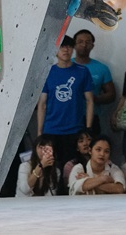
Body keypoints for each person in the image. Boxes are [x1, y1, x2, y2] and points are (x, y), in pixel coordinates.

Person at [37, 36, 94, 171]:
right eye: (62, 46)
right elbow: (42, 104)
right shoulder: (47, 72)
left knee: (73, 169)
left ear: (73, 49)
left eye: (68, 46)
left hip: (75, 129)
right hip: (51, 129)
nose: (65, 50)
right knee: (50, 169)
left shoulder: (82, 71)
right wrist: (40, 132)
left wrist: (88, 128)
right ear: (55, 50)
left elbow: (90, 101)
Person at [73, 29, 116, 135]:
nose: (84, 45)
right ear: (74, 45)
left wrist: (95, 98)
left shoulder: (101, 68)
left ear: (92, 46)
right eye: (80, 42)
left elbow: (111, 94)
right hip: (68, 118)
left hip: (92, 118)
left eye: (88, 42)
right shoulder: (65, 66)